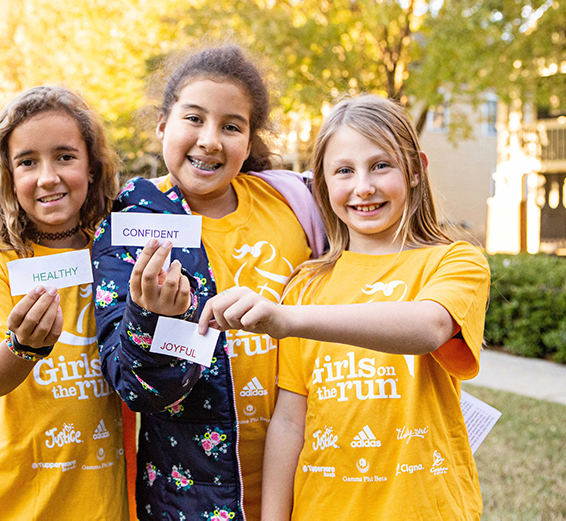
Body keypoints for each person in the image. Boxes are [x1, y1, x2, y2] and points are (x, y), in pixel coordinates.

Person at [198, 94, 491, 520]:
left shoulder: (454, 261)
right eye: (344, 171)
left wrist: (288, 319)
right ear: (322, 184)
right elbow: (289, 422)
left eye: (381, 165)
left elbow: (429, 327)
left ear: (416, 170)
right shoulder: (306, 285)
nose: (363, 187)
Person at [92, 44, 326, 520]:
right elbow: (135, 389)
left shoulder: (293, 203)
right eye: (194, 119)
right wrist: (151, 318)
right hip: (192, 502)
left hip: (309, 486)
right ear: (163, 126)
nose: (211, 140)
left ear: (250, 140)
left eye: (231, 126)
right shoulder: (132, 224)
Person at [0, 85, 129, 520]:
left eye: (65, 157)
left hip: (101, 505)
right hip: (13, 505)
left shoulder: (111, 252)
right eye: (27, 162)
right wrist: (22, 347)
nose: (47, 177)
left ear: (91, 167)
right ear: (8, 176)